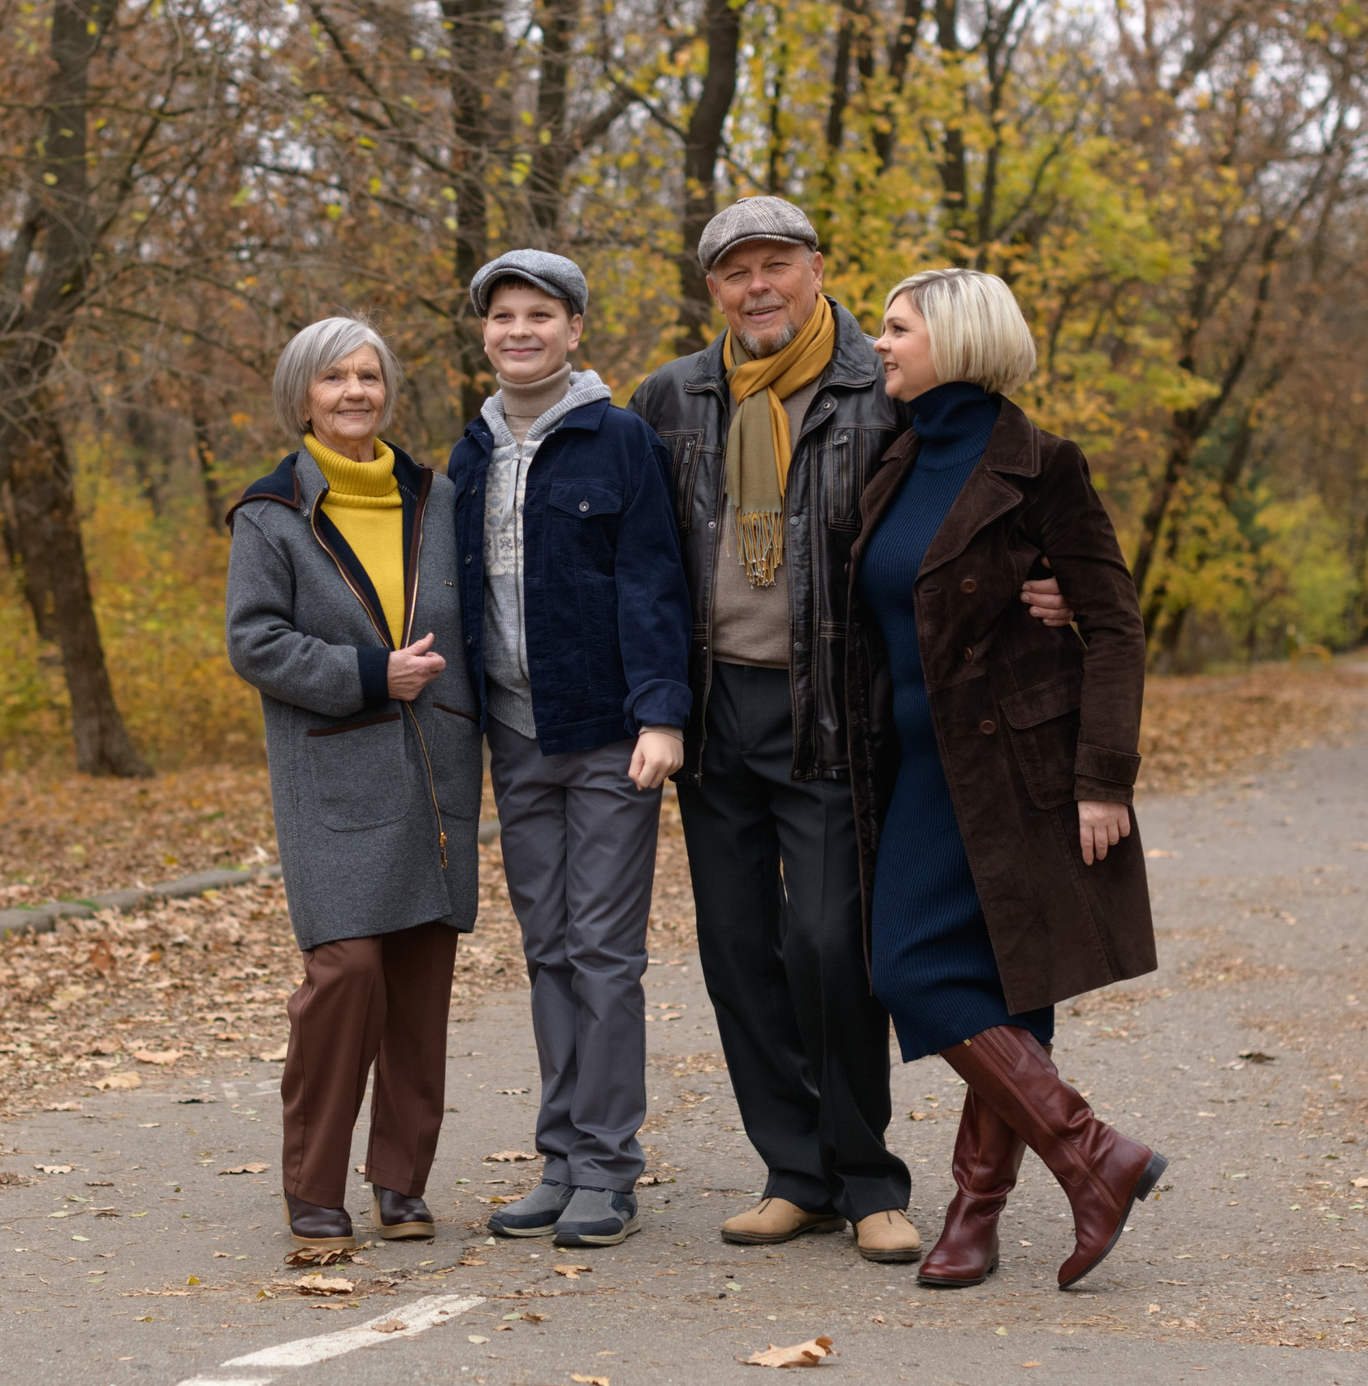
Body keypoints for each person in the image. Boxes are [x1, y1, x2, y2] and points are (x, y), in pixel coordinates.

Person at [629, 197, 1072, 1265]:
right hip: (711, 705)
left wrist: (1039, 579)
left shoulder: (880, 391)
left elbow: (980, 488)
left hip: (832, 709)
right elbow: (640, 562)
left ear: (816, 268)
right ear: (714, 292)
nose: (758, 286)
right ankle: (795, 1174)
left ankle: (868, 1177)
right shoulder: (670, 398)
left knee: (828, 946)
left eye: (777, 263)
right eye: (736, 272)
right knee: (738, 950)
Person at [846, 267, 1166, 1290]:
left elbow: (1114, 625)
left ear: (957, 340)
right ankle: (1089, 1159)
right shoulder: (894, 461)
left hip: (1018, 768)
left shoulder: (1043, 468)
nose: (880, 342)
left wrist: (1102, 780)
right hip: (909, 767)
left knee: (977, 981)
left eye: (896, 328)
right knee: (930, 969)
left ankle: (984, 1208)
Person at [446, 250, 691, 1250]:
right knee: (545, 948)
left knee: (602, 952)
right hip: (514, 734)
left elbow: (652, 582)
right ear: (485, 333)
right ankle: (558, 1159)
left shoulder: (618, 438)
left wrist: (661, 715)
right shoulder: (470, 452)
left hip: (607, 735)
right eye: (502, 316)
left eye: (538, 314)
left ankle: (607, 1168)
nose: (518, 331)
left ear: (575, 327)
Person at [225, 317, 483, 1251]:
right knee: (347, 973)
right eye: (332, 377)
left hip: (436, 766)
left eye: (368, 375)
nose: (353, 392)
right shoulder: (271, 514)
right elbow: (254, 641)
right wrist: (373, 672)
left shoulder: (440, 496)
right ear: (303, 396)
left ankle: (403, 1181)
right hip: (332, 777)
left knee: (421, 973)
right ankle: (315, 1188)